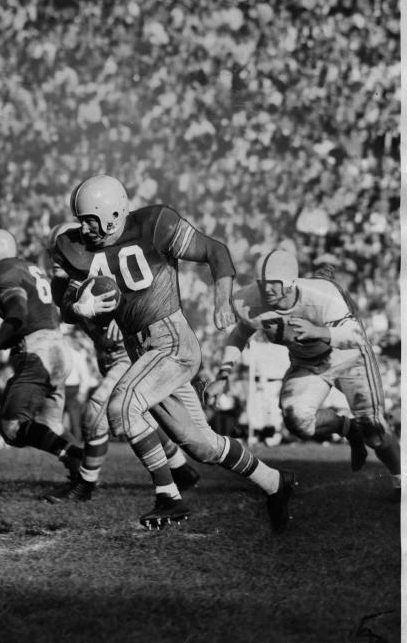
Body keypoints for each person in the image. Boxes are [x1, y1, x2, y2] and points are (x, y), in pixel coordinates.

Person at [52, 175, 294, 530]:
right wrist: (79, 309)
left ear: (113, 212)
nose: (84, 228)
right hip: (141, 351)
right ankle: (275, 483)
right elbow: (64, 304)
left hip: (172, 341)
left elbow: (216, 252)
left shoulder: (154, 224)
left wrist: (222, 300)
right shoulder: (73, 248)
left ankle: (169, 497)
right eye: (81, 220)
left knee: (122, 406)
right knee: (201, 445)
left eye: (90, 219)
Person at [204, 248, 400, 498]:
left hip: (348, 358)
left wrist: (320, 332)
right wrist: (223, 375)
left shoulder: (320, 294)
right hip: (307, 362)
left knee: (374, 431)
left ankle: (400, 479)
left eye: (275, 284)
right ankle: (348, 429)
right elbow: (241, 332)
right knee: (296, 418)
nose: (268, 290)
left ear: (291, 283)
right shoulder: (250, 300)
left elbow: (356, 336)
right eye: (263, 284)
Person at [45, 222, 202, 503]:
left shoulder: (104, 272)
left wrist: (124, 315)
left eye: (62, 251)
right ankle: (181, 469)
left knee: (97, 414)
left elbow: (143, 292)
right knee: (140, 417)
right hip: (106, 354)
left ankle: (85, 485)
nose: (56, 257)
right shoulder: (62, 286)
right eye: (52, 251)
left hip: (130, 354)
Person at [0, 229, 84, 491]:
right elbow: (24, 324)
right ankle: (84, 478)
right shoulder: (28, 267)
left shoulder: (1, 271)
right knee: (52, 425)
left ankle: (73, 457)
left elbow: (17, 314)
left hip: (38, 354)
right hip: (59, 349)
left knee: (11, 426)